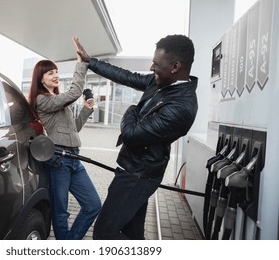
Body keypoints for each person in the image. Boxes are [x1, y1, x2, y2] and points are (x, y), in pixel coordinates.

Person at [73, 35, 198, 240]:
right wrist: (91, 61)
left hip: (137, 177)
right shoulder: (161, 82)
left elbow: (131, 135)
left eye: (156, 64)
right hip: (131, 170)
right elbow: (126, 76)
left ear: (175, 66)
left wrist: (131, 109)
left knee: (104, 234)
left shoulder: (182, 107)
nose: (151, 68)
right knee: (132, 233)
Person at [28, 40, 101, 240]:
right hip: (58, 160)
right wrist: (81, 63)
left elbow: (74, 129)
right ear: (41, 79)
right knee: (61, 211)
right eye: (50, 72)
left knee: (93, 204)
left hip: (74, 158)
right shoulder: (43, 100)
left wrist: (87, 109)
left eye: (56, 71)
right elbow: (75, 92)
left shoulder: (60, 102)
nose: (56, 75)